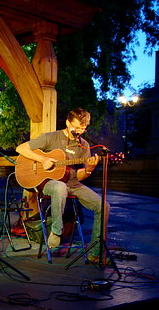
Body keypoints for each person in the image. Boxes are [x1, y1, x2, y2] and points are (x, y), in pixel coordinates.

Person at [15, 108, 108, 261]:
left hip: (73, 184)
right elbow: (21, 148)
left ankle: (95, 254)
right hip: (49, 183)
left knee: (103, 206)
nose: (80, 131)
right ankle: (57, 231)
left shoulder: (84, 146)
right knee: (60, 187)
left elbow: (80, 175)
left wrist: (89, 169)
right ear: (67, 122)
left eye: (83, 128)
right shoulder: (51, 137)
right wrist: (42, 160)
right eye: (77, 127)